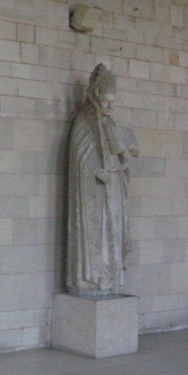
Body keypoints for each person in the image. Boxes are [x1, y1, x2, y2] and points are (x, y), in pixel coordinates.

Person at [66, 64, 139, 297]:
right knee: (97, 235)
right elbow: (79, 158)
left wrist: (125, 160)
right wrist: (98, 172)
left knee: (113, 234)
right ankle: (92, 278)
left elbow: (117, 155)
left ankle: (111, 278)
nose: (110, 106)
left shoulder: (110, 124)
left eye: (113, 101)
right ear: (96, 97)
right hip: (95, 194)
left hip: (113, 191)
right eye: (107, 101)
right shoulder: (84, 122)